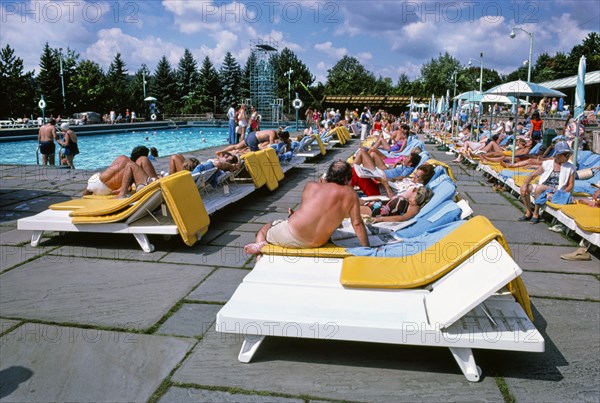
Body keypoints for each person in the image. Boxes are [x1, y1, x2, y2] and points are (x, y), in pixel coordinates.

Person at [244, 161, 369, 255]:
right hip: (317, 242)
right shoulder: (350, 193)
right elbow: (357, 224)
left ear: (328, 175)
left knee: (265, 228)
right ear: (348, 179)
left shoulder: (311, 186)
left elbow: (309, 210)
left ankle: (259, 250)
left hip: (292, 235)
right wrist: (366, 248)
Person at [519, 141, 576, 224]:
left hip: (557, 190)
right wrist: (524, 184)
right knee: (524, 188)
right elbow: (533, 175)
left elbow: (570, 185)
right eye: (566, 154)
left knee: (540, 188)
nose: (568, 157)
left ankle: (536, 213)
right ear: (558, 154)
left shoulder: (571, 167)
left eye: (569, 154)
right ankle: (528, 213)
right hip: (544, 188)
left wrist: (561, 193)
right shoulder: (548, 164)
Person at [83, 146, 159, 198]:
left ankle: (82, 199)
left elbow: (111, 168)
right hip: (106, 189)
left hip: (95, 180)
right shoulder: (134, 167)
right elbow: (128, 187)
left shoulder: (122, 157)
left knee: (91, 186)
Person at [360, 185, 433, 223]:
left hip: (374, 211)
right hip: (373, 205)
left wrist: (379, 219)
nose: (413, 191)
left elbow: (403, 218)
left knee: (351, 207)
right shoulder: (409, 200)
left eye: (415, 192)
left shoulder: (415, 207)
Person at [219, 129, 290, 154]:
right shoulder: (272, 134)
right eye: (283, 139)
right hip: (254, 139)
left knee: (236, 146)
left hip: (252, 135)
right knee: (254, 153)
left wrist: (287, 145)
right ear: (280, 137)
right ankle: (237, 153)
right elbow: (272, 146)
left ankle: (221, 151)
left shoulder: (272, 132)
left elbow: (288, 143)